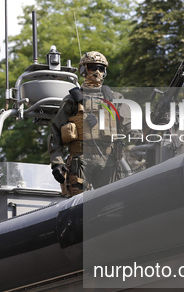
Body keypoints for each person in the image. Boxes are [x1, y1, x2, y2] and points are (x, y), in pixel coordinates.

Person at [49, 51, 131, 196]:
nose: (97, 72)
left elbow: (131, 128)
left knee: (111, 204)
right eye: (93, 67)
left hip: (109, 161)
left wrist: (140, 148)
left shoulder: (116, 99)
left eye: (101, 68)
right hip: (80, 160)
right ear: (84, 70)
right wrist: (57, 162)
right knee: (78, 206)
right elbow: (55, 132)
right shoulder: (72, 100)